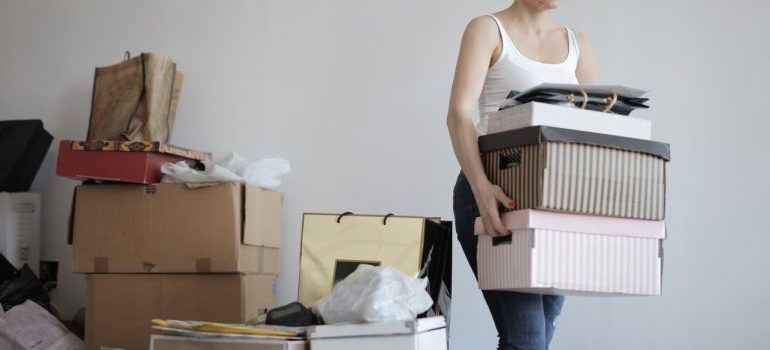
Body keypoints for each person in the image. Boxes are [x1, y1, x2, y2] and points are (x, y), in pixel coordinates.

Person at [446, 0, 598, 349]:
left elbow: (592, 130)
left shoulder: (579, 45)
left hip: (557, 205)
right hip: (496, 193)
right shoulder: (487, 30)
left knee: (535, 341)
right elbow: (458, 115)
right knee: (527, 341)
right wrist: (482, 190)